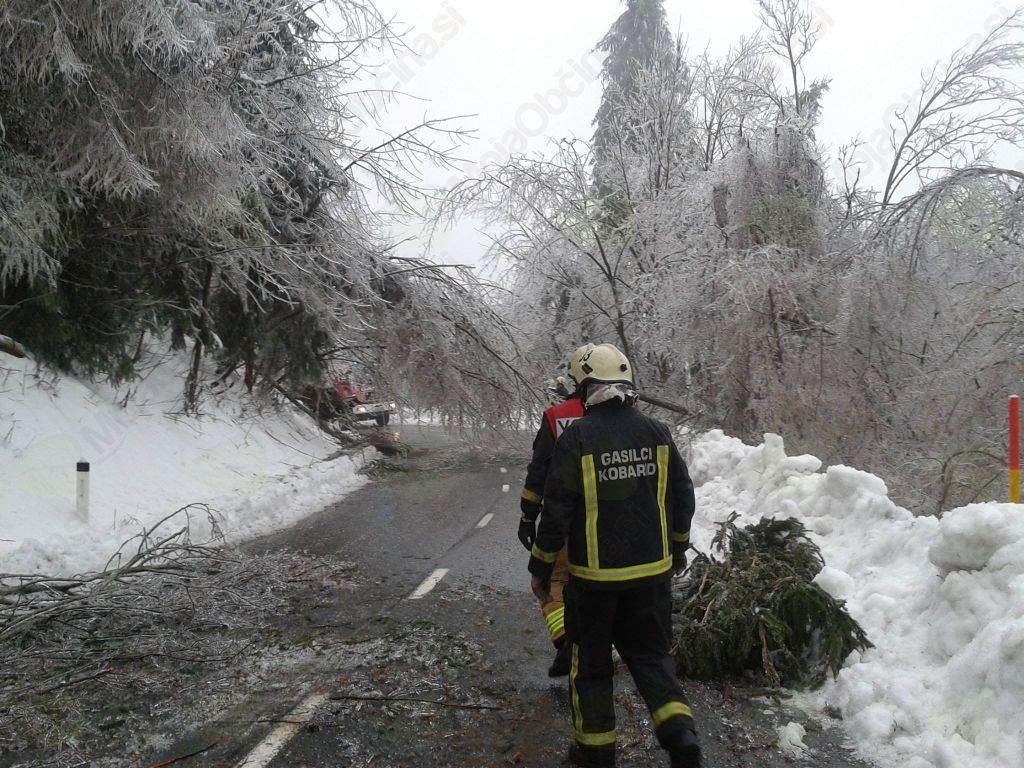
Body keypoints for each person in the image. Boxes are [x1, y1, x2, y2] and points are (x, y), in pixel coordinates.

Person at [528, 343, 702, 768]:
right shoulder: (658, 433)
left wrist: (542, 566)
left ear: (585, 387)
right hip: (652, 577)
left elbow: (557, 508)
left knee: (590, 667)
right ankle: (680, 733)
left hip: (594, 583)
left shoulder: (577, 438)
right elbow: (683, 495)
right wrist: (678, 547)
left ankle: (596, 751)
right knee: (652, 658)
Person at [518, 343, 595, 676]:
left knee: (552, 581)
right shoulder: (623, 416)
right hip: (608, 521)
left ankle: (566, 645)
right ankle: (602, 646)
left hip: (563, 520)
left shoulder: (556, 417)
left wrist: (528, 515)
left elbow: (539, 472)